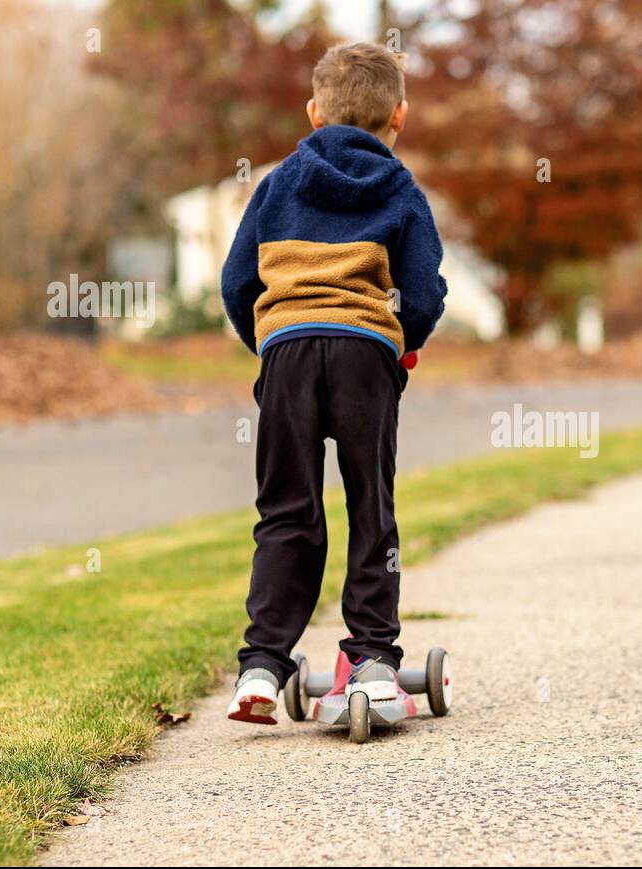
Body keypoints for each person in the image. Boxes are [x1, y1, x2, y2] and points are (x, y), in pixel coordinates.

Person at [220, 41, 446, 724]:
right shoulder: (401, 188)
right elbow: (425, 293)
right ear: (399, 115)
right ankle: (374, 660)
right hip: (364, 354)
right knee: (370, 507)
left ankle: (261, 665)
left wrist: (270, 343)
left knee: (286, 510)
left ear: (315, 111)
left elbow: (237, 282)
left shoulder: (277, 184)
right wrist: (403, 350)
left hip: (286, 354)